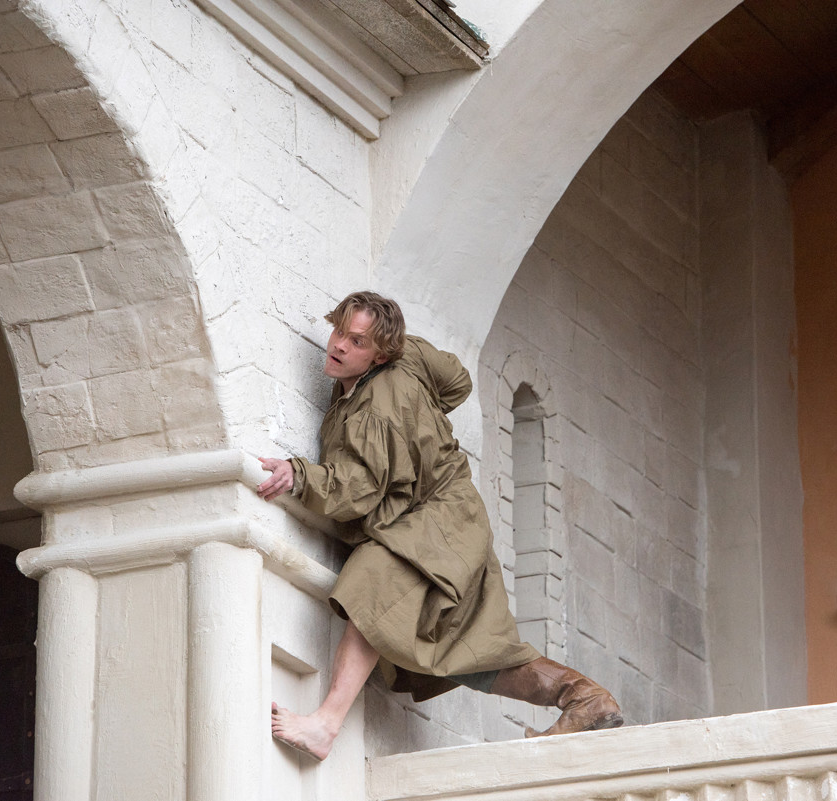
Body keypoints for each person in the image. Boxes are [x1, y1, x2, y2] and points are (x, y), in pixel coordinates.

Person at [258, 291, 622, 760]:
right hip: (454, 521)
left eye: (358, 341)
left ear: (380, 355)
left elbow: (363, 486)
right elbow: (456, 382)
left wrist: (301, 475)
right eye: (340, 332)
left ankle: (326, 725)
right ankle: (587, 700)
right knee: (466, 649)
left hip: (437, 520)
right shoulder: (404, 363)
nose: (340, 345)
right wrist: (417, 414)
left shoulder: (377, 405)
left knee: (371, 583)